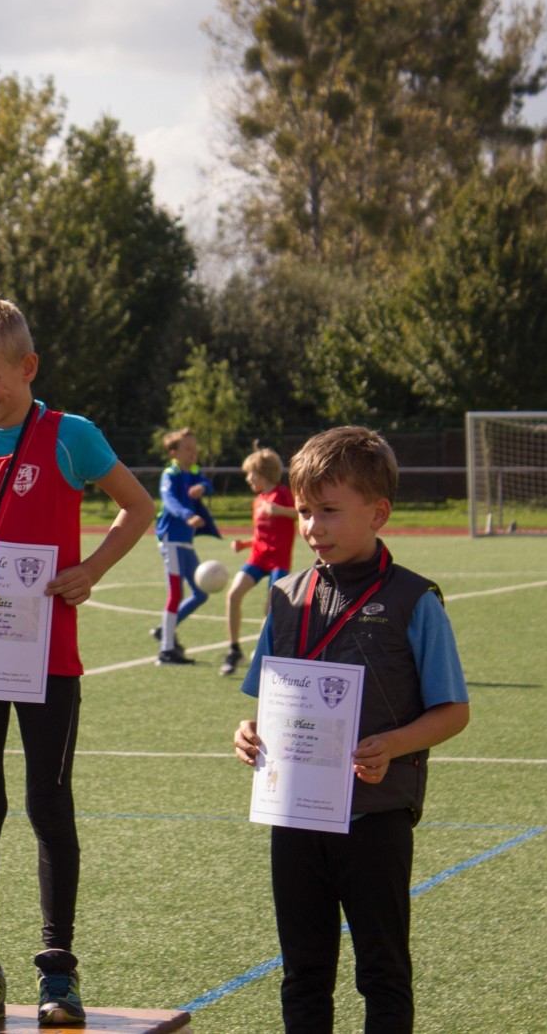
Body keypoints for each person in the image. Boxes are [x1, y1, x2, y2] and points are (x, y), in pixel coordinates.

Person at [0, 295, 155, 1027]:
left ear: (27, 367)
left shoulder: (69, 435)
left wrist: (92, 570)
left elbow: (138, 507)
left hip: (49, 656)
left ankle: (57, 972)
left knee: (49, 806)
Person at [233, 426, 470, 1033]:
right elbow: (268, 702)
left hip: (375, 820)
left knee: (382, 972)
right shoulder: (285, 595)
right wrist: (248, 734)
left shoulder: (416, 602)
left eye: (330, 512)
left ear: (378, 512)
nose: (312, 527)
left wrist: (393, 744)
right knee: (304, 972)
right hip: (295, 817)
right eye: (306, 512)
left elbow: (454, 711)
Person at [222, 447, 298, 676]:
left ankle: (264, 653)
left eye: (250, 473)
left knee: (270, 610)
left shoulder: (282, 494)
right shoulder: (258, 501)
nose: (248, 478)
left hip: (278, 561)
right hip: (258, 558)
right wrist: (244, 544)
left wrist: (281, 510)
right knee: (233, 594)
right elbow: (260, 534)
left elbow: (301, 514)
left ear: (263, 472)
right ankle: (234, 649)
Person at [150, 428, 221, 665]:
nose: (193, 453)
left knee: (200, 593)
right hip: (171, 540)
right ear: (173, 452)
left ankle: (164, 630)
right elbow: (169, 501)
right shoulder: (169, 474)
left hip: (186, 542)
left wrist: (204, 488)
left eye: (195, 449)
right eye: (188, 449)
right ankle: (166, 651)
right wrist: (187, 514)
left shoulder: (193, 471)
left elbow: (205, 484)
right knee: (176, 593)